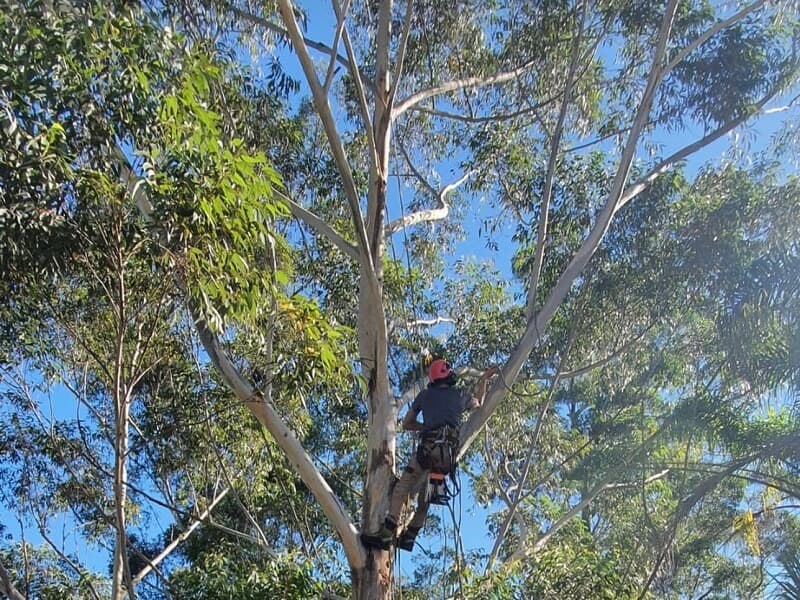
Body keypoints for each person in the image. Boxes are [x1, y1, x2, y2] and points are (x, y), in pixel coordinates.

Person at [361, 359, 496, 552]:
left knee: (402, 488)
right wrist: (484, 378)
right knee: (427, 498)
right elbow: (479, 402)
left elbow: (407, 423)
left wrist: (426, 428)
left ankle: (387, 533)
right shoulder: (459, 395)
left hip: (427, 451)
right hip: (447, 457)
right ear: (447, 375)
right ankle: (409, 537)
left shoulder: (425, 395)